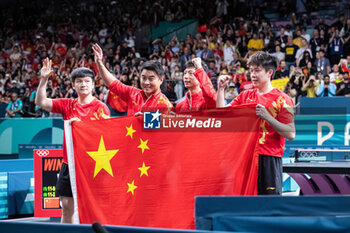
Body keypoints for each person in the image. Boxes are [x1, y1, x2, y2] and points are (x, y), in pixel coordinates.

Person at [35, 58, 110, 223]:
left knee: (94, 207)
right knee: (67, 207)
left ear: (93, 85)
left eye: (87, 81)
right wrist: (44, 80)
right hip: (69, 164)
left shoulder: (101, 108)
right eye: (79, 81)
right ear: (74, 85)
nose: (83, 84)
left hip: (93, 164)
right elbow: (41, 102)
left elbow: (106, 135)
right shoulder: (67, 105)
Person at [217, 51, 295, 195]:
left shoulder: (283, 99)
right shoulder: (245, 96)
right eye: (251, 70)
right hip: (245, 158)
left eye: (257, 71)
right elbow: (222, 115)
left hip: (269, 159)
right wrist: (221, 90)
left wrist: (268, 117)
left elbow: (290, 133)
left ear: (269, 72)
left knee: (269, 206)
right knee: (245, 204)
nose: (252, 74)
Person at [92, 43, 173, 115]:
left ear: (161, 80)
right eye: (143, 78)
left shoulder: (166, 106)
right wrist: (99, 62)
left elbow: (168, 129)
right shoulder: (133, 94)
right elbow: (113, 84)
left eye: (151, 79)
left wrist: (147, 120)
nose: (146, 82)